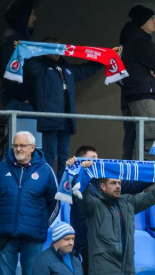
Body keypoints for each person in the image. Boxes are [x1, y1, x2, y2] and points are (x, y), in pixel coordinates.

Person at [0, 131, 57, 275]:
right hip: (7, 234)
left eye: (22, 145)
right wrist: (3, 221)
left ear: (32, 148)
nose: (18, 149)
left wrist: (42, 225)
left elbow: (55, 202)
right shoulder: (1, 168)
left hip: (33, 236)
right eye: (15, 145)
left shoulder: (45, 170)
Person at [24, 37, 102, 173]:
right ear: (44, 50)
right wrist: (23, 47)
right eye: (52, 48)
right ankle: (49, 183)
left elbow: (86, 69)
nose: (57, 51)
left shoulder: (67, 68)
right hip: (50, 119)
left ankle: (62, 184)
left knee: (64, 156)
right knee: (50, 155)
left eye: (59, 48)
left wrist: (103, 60)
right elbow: (27, 60)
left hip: (66, 120)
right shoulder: (40, 66)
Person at [119, 6, 155, 159]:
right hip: (144, 98)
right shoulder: (139, 41)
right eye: (152, 18)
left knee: (133, 141)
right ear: (143, 21)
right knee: (150, 140)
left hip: (137, 97)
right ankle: (145, 173)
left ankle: (133, 173)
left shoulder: (133, 40)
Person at [0, 0, 36, 109]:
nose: (34, 18)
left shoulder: (20, 38)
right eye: (32, 14)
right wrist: (23, 97)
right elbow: (11, 71)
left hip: (23, 101)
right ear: (23, 15)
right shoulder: (12, 39)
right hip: (20, 103)